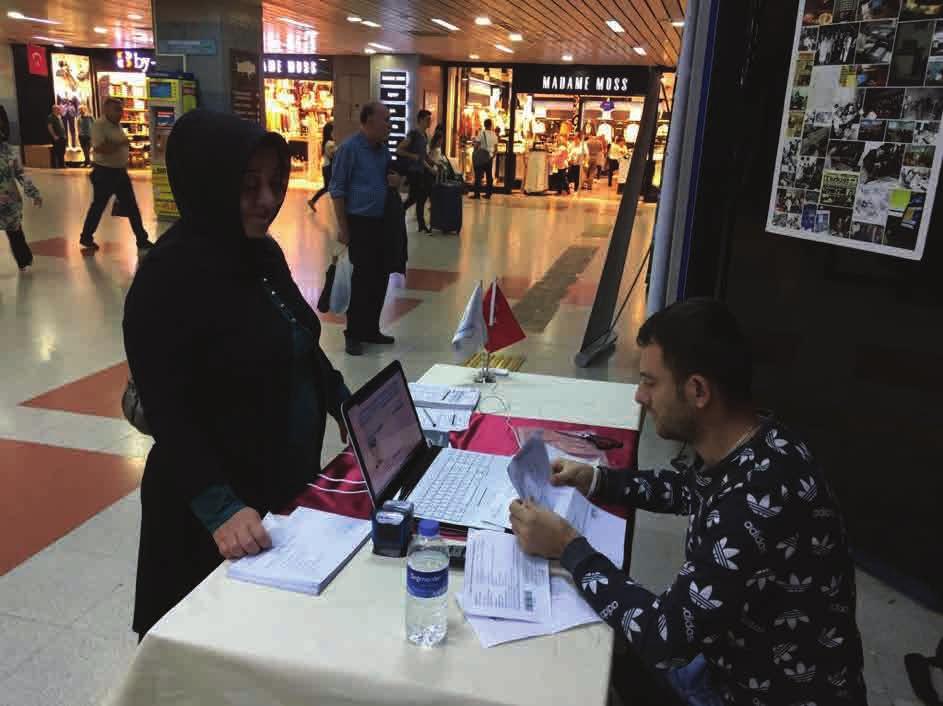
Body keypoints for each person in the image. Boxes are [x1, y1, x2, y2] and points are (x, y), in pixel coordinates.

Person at [509, 298, 867, 706]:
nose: (640, 397)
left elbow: (666, 638)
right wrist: (597, 479)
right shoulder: (761, 442)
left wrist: (568, 547)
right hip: (732, 660)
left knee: (577, 660)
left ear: (697, 390)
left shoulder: (753, 502)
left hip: (750, 692)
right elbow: (689, 489)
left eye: (650, 382)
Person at [123, 109, 351, 639]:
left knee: (268, 645)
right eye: (248, 186)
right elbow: (169, 412)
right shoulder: (168, 279)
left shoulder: (262, 254)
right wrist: (221, 508)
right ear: (208, 184)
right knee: (204, 661)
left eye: (275, 183)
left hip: (277, 484)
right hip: (208, 513)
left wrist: (344, 402)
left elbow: (298, 340)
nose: (268, 201)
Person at [329, 101, 402, 356]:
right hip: (359, 222)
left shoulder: (382, 151)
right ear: (369, 121)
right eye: (385, 120)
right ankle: (353, 334)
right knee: (362, 279)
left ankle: (371, 328)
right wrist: (343, 227)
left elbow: (388, 181)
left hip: (382, 222)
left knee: (380, 276)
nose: (389, 125)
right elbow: (337, 190)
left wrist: (396, 182)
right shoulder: (349, 149)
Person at [79, 98, 154, 252]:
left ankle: (141, 239)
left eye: (121, 110)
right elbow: (100, 148)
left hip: (119, 172)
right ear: (106, 110)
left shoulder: (116, 125)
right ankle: (86, 236)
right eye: (117, 110)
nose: (120, 114)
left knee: (132, 206)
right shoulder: (99, 125)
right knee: (98, 206)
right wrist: (121, 143)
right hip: (105, 173)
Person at [0, 106, 42, 271]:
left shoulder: (8, 150)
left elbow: (20, 174)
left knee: (15, 230)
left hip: (9, 203)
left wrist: (34, 193)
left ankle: (23, 260)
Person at [397, 109, 435, 232]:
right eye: (427, 120)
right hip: (413, 171)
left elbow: (422, 155)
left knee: (421, 197)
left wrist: (431, 162)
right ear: (420, 120)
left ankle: (421, 225)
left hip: (421, 170)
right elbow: (399, 150)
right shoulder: (413, 134)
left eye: (430, 119)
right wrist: (412, 156)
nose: (430, 122)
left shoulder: (424, 135)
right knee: (415, 197)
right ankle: (400, 211)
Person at [307, 122, 336, 212]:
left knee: (328, 187)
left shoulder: (327, 142)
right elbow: (334, 154)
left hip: (326, 166)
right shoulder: (330, 143)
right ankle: (313, 201)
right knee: (329, 187)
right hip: (328, 167)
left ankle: (313, 201)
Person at [471, 118, 497, 200]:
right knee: (489, 176)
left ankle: (477, 194)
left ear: (484, 125)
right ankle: (488, 193)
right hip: (489, 157)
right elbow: (496, 148)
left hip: (482, 156)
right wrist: (492, 156)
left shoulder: (481, 133)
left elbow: (477, 144)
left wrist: (474, 152)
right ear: (491, 125)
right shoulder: (494, 135)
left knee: (478, 175)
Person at [47, 105, 67, 169]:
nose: (59, 110)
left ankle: (62, 164)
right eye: (58, 109)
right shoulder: (50, 117)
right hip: (57, 137)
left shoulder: (59, 116)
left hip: (62, 136)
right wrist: (54, 136)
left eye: (59, 109)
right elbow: (50, 127)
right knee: (58, 151)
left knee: (62, 151)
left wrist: (64, 135)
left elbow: (62, 126)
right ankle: (57, 165)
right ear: (54, 110)